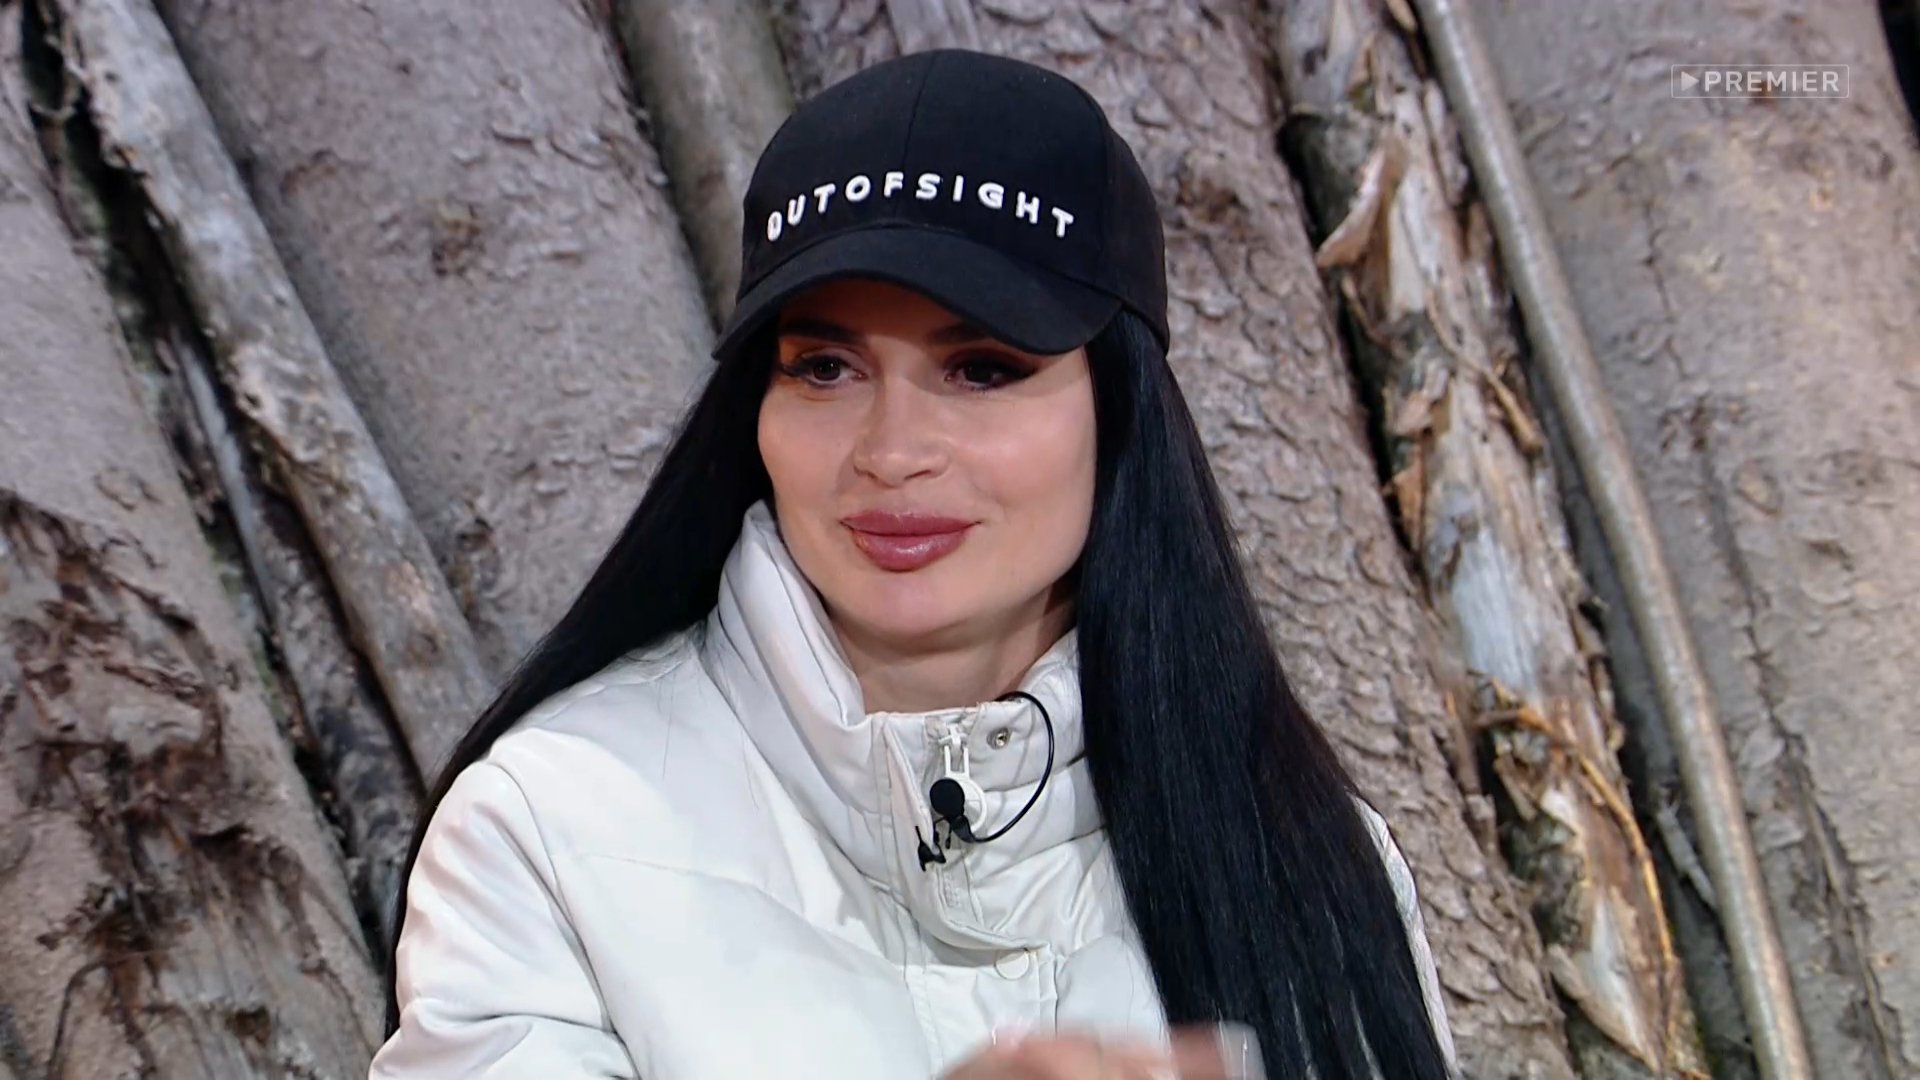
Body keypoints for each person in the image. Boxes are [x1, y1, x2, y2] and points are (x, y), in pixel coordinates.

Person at [371, 48, 1458, 1080]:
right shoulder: (548, 823)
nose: (891, 452)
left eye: (981, 369)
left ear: (1121, 408)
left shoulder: (1310, 853)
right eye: (825, 367)